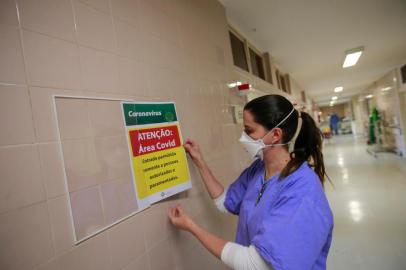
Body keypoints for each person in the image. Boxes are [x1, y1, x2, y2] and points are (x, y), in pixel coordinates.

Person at [167, 95, 334, 270]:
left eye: (249, 130)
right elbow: (225, 202)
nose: (243, 137)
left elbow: (256, 264)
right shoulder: (258, 170)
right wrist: (199, 161)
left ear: (275, 135)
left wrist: (192, 227)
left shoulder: (302, 190)